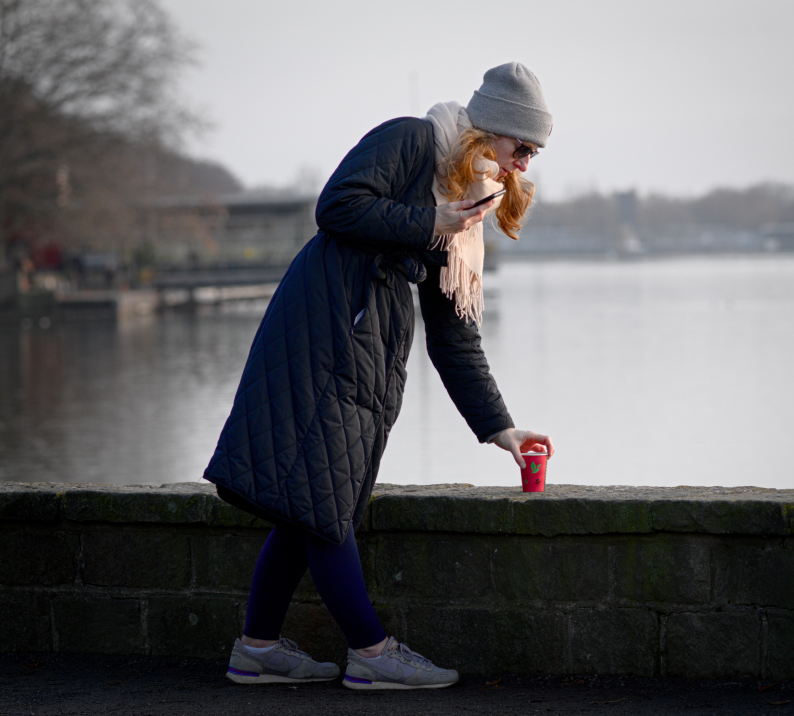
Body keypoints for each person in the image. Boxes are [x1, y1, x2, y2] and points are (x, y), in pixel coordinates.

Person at [203, 61, 556, 691]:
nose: (525, 163)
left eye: (533, 153)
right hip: (323, 337)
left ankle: (256, 648)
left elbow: (453, 334)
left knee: (310, 501)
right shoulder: (414, 141)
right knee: (327, 503)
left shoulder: (464, 201)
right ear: (494, 129)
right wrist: (430, 222)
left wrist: (499, 427)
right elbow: (336, 205)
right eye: (522, 147)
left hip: (365, 355)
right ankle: (372, 652)